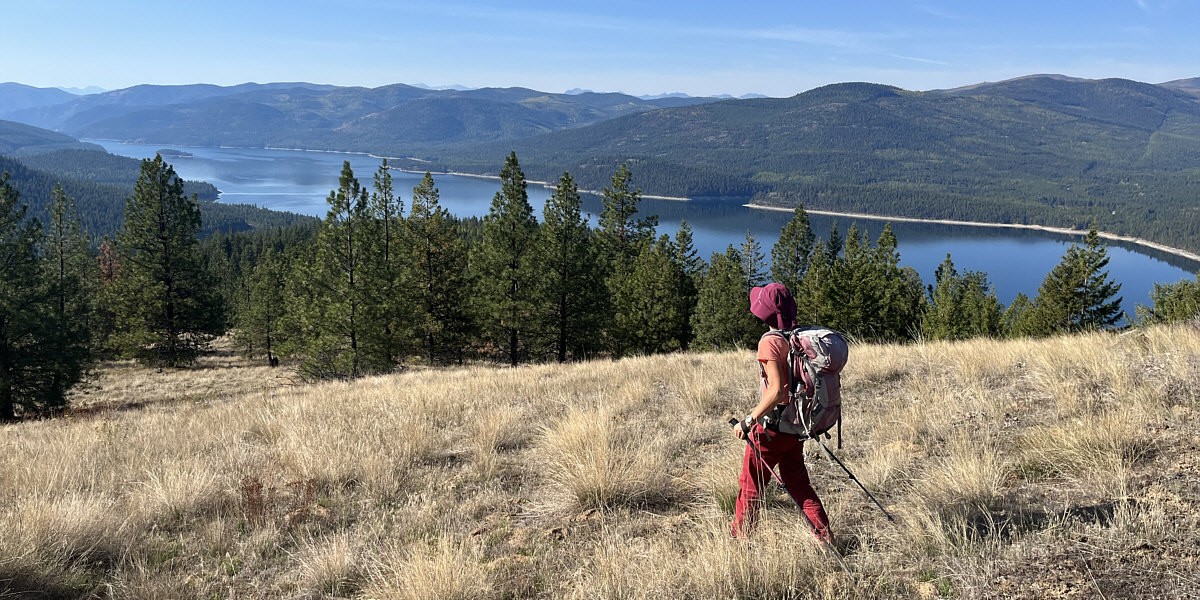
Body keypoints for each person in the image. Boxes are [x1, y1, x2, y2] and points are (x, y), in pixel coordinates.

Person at [730, 282, 832, 543]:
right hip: (795, 426)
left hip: (771, 430)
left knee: (751, 486)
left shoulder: (770, 342)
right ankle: (824, 537)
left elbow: (777, 392)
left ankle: (742, 541)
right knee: (799, 486)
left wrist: (748, 421)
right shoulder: (798, 338)